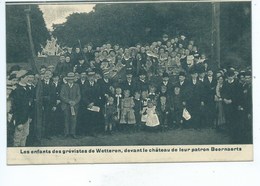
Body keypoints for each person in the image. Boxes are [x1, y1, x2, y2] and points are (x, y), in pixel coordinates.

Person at [11, 71, 32, 147]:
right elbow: (15, 107)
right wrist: (18, 122)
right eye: (27, 77)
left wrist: (29, 117)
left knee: (25, 136)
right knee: (17, 138)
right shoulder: (16, 90)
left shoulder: (27, 88)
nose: (28, 79)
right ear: (21, 78)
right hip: (20, 118)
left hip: (26, 118)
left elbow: (29, 105)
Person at [60, 72, 81, 138]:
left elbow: (79, 95)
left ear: (73, 80)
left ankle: (73, 133)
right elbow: (61, 95)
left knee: (73, 119)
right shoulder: (64, 86)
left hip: (75, 106)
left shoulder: (77, 86)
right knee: (66, 119)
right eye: (69, 79)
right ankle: (66, 133)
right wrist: (68, 101)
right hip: (66, 106)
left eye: (72, 79)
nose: (71, 80)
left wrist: (75, 102)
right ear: (67, 80)